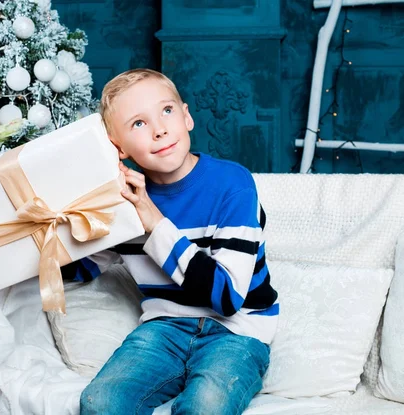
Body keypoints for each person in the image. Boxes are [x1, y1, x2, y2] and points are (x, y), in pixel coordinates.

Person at [67, 68, 279, 415]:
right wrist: (1, 251)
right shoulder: (125, 201)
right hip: (164, 327)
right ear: (117, 148)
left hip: (238, 330)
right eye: (138, 124)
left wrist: (155, 223)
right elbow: (83, 266)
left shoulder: (233, 184)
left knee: (206, 406)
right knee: (99, 401)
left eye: (166, 111)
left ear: (187, 116)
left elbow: (227, 298)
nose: (159, 129)